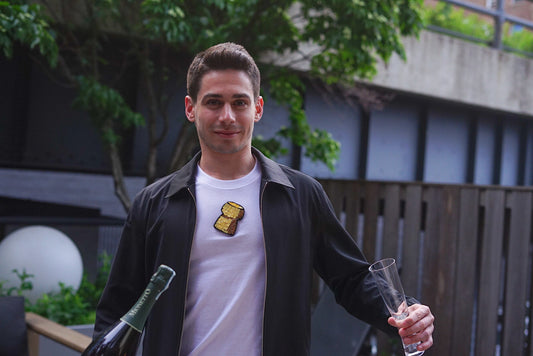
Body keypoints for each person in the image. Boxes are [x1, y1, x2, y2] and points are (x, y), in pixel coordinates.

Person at [94, 42, 434, 356]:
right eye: (213, 102)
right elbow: (117, 309)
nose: (227, 116)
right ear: (190, 108)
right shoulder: (154, 203)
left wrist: (407, 313)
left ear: (256, 108)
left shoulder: (300, 195)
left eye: (239, 102)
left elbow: (352, 279)